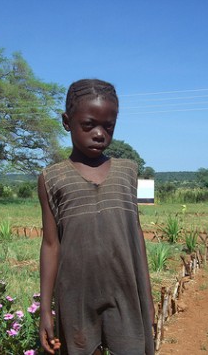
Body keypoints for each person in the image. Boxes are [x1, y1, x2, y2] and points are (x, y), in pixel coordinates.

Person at [38, 78, 155, 355]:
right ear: (67, 122)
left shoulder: (128, 171)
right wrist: (46, 307)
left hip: (126, 293)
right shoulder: (51, 178)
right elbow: (51, 244)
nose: (100, 134)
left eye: (108, 126)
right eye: (89, 125)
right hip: (76, 296)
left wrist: (147, 298)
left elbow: (135, 235)